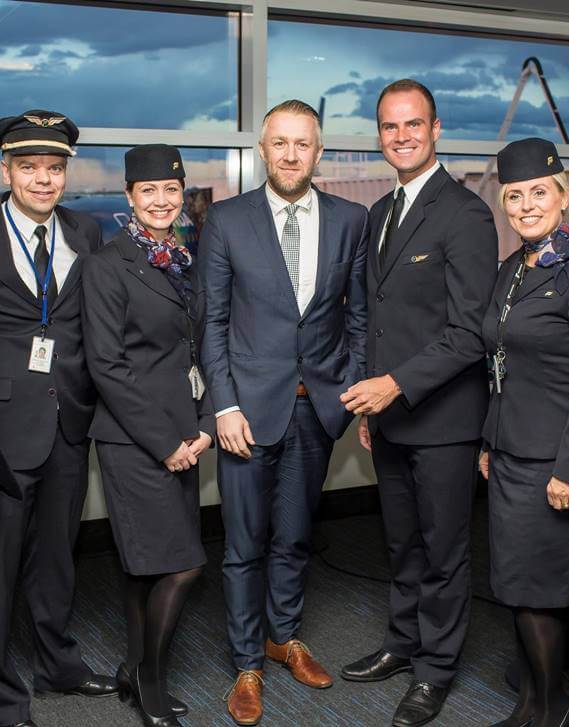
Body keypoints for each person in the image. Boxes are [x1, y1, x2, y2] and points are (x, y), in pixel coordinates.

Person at [199, 100, 368, 725]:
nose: (291, 154)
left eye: (303, 144)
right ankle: (246, 663)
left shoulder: (351, 220)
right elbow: (211, 323)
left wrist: (345, 394)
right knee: (244, 545)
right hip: (245, 413)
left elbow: (358, 319)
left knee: (296, 537)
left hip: (316, 412)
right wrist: (225, 405)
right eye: (279, 143)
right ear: (262, 151)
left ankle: (284, 636)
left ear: (318, 153)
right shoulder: (226, 219)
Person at [0, 111, 115, 726]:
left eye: (53, 168)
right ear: (5, 170)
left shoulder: (87, 231)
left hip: (70, 418)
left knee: (56, 556)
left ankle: (57, 661)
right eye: (29, 168)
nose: (43, 180)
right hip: (0, 422)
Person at [339, 79, 498, 727]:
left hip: (445, 420)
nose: (400, 136)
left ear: (436, 130)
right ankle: (404, 643)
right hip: (392, 419)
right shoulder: (381, 213)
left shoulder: (466, 213)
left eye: (413, 124)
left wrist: (395, 385)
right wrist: (376, 407)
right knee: (400, 542)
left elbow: (471, 330)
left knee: (443, 549)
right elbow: (378, 319)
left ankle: (436, 669)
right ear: (380, 135)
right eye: (389, 126)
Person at [479, 138, 569, 727]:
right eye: (513, 196)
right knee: (518, 585)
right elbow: (500, 364)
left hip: (554, 460)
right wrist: (491, 439)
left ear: (563, 196)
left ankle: (547, 708)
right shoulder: (515, 268)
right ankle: (537, 699)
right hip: (513, 451)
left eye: (538, 193)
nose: (525, 206)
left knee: (537, 589)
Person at [82, 144, 212, 727]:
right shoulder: (108, 265)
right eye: (149, 191)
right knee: (182, 564)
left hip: (183, 433)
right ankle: (150, 680)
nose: (162, 200)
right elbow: (108, 366)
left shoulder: (182, 258)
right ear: (129, 197)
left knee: (147, 565)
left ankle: (134, 669)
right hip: (138, 442)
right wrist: (166, 443)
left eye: (171, 190)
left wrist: (204, 424)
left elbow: (197, 349)